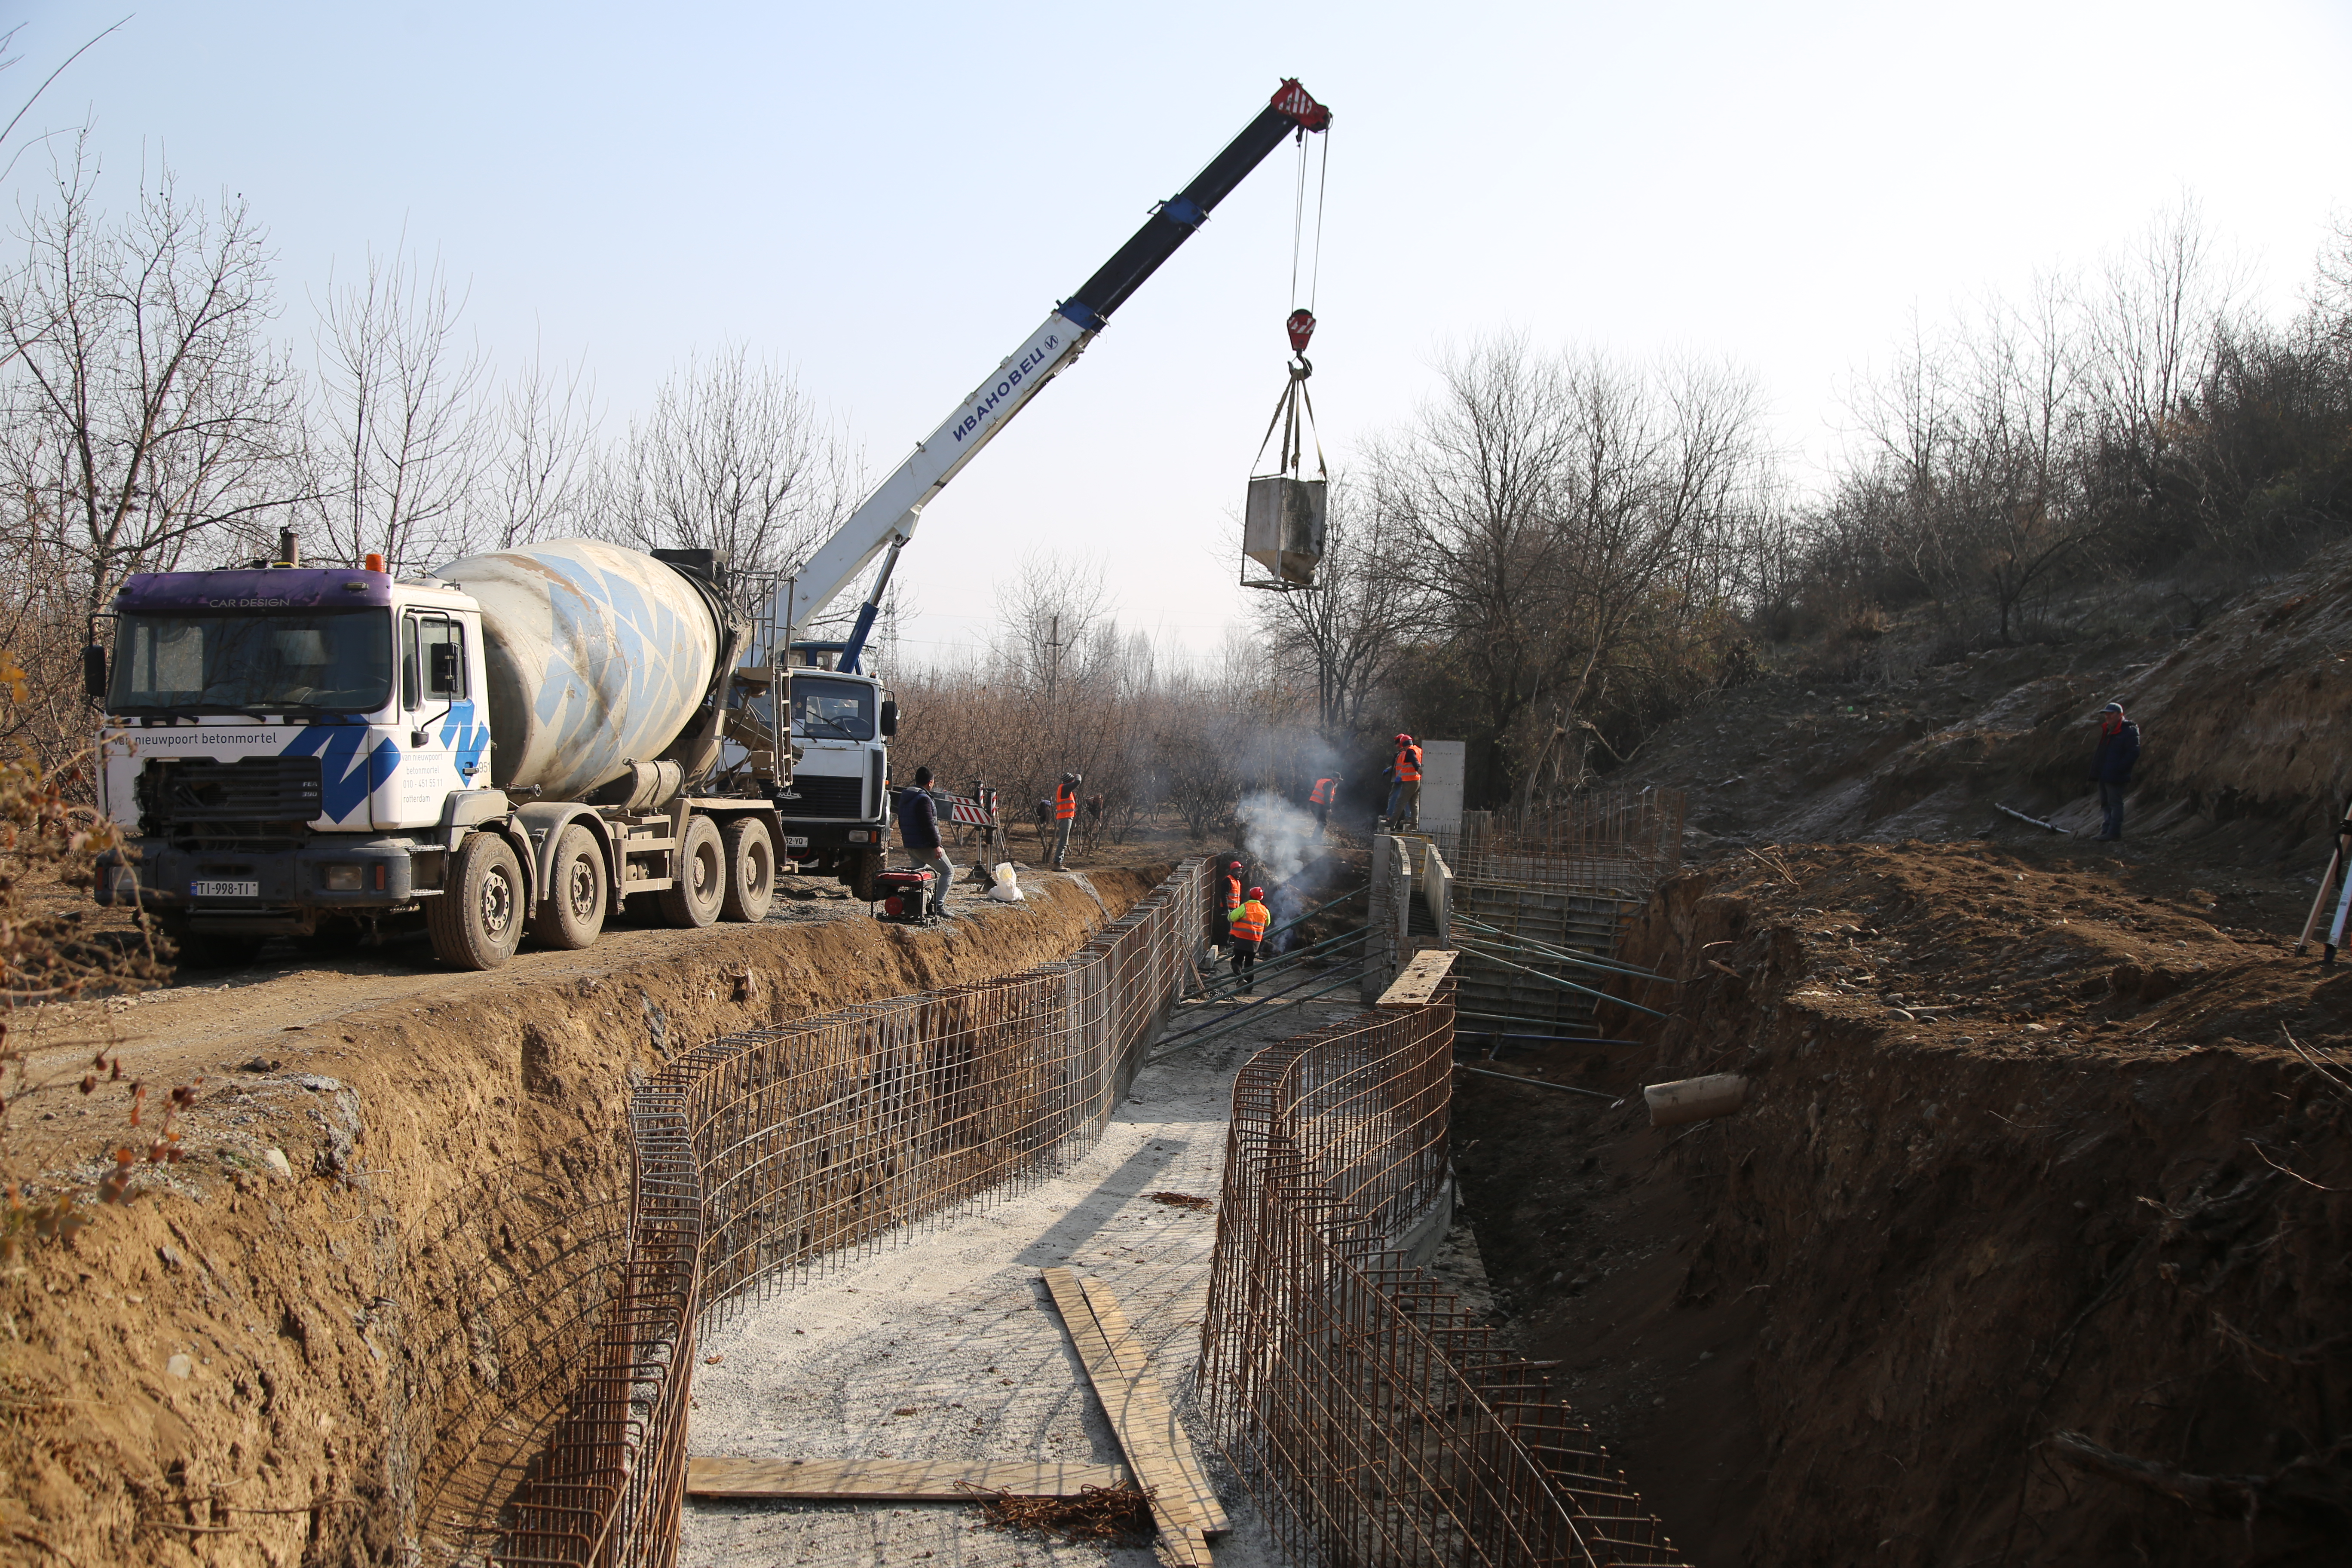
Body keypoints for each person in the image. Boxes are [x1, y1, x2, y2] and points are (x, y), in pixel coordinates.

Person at [895, 766, 953, 918]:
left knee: (918, 879)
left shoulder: (907, 796)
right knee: (948, 872)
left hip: (911, 845)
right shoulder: (923, 799)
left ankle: (914, 908)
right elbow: (928, 825)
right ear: (930, 782)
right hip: (925, 846)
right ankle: (937, 907)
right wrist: (936, 845)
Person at [2090, 701, 2141, 841]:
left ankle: (2114, 833)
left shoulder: (2129, 730)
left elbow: (2134, 752)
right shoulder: (2109, 729)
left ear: (2120, 715)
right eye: (2106, 714)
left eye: (2111, 714)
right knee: (2106, 804)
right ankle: (2106, 831)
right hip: (2104, 774)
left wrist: (2119, 769)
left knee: (2115, 804)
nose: (2108, 717)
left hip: (2115, 775)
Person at [1228, 886, 1271, 993]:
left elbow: (1232, 918)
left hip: (1242, 939)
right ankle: (1249, 989)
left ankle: (1240, 980)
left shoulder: (1245, 907)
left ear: (1250, 895)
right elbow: (1268, 923)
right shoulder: (1265, 910)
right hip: (1256, 941)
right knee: (1249, 963)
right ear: (1261, 898)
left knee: (1236, 961)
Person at [1385, 734, 1423, 830]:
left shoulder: (1410, 751)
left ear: (1403, 744)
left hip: (1410, 782)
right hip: (1417, 780)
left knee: (1400, 802)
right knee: (1413, 803)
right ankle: (1414, 825)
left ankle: (1392, 823)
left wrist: (1418, 768)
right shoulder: (1418, 749)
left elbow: (1414, 761)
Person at [1213, 857, 1244, 952]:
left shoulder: (1237, 882)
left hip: (1235, 909)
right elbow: (1224, 895)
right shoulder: (1228, 880)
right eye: (1239, 871)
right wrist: (1226, 909)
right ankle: (1223, 947)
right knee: (1227, 929)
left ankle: (1229, 946)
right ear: (1234, 871)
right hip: (1228, 909)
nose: (1240, 873)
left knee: (1233, 930)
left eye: (1241, 871)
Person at [1052, 772, 1082, 870]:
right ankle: (1058, 863)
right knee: (1063, 841)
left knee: (1064, 841)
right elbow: (1078, 781)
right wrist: (1077, 775)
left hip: (1064, 817)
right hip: (1065, 818)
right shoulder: (1065, 788)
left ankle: (1059, 862)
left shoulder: (1064, 789)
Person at [1308, 773, 1341, 837]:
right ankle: (1316, 840)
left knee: (1321, 822)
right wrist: (1329, 808)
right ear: (1335, 778)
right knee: (1322, 823)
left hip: (1313, 803)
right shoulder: (1330, 783)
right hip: (1319, 804)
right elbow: (1327, 796)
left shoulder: (1321, 781)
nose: (1338, 781)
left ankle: (1316, 839)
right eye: (1338, 779)